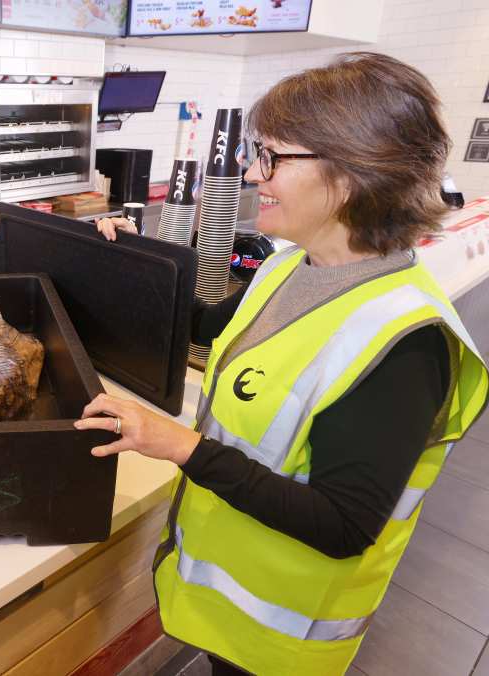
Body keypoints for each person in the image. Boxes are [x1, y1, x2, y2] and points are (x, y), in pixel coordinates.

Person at [81, 53, 488, 675]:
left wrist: (182, 447)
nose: (250, 173)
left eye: (270, 156)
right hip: (228, 595)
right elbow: (203, 327)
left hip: (284, 636)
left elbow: (344, 523)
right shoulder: (286, 265)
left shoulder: (404, 341)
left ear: (353, 171)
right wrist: (126, 260)